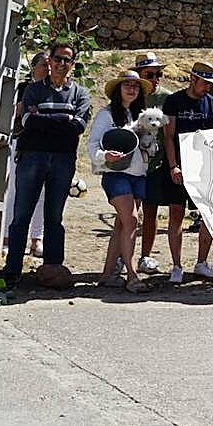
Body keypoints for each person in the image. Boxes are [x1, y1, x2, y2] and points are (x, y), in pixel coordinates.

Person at [3, 42, 91, 291]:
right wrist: (64, 118)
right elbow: (27, 121)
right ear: (49, 61)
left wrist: (43, 117)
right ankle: (12, 270)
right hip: (32, 156)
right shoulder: (33, 89)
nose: (62, 64)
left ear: (73, 64)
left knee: (54, 216)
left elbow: (79, 126)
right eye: (58, 59)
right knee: (21, 214)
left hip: (63, 159)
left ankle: (53, 270)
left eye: (67, 60)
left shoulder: (80, 94)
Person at [156, 62, 213, 285]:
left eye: (210, 84)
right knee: (176, 214)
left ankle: (201, 263)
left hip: (204, 168)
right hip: (178, 165)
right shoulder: (173, 101)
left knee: (207, 214)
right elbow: (168, 136)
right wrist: (173, 166)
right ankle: (177, 266)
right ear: (193, 79)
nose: (208, 87)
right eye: (205, 83)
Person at [87, 70, 152, 292]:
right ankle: (132, 275)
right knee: (131, 220)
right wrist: (105, 155)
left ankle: (107, 275)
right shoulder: (106, 115)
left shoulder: (141, 116)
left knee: (122, 224)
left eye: (136, 86)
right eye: (127, 85)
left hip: (139, 175)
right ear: (118, 89)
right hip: (115, 174)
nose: (132, 89)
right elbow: (92, 145)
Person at [4, 51, 48, 260]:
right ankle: (7, 237)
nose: (48, 69)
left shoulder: (56, 90)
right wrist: (21, 108)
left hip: (47, 146)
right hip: (22, 142)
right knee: (14, 190)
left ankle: (36, 238)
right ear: (33, 67)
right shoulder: (21, 88)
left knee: (43, 193)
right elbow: (7, 114)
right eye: (44, 65)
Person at [134, 52, 173, 276]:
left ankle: (145, 256)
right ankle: (120, 257)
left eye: (159, 74)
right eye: (150, 74)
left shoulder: (167, 98)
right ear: (140, 75)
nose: (155, 79)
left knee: (151, 210)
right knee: (128, 213)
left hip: (156, 164)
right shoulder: (131, 94)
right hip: (131, 163)